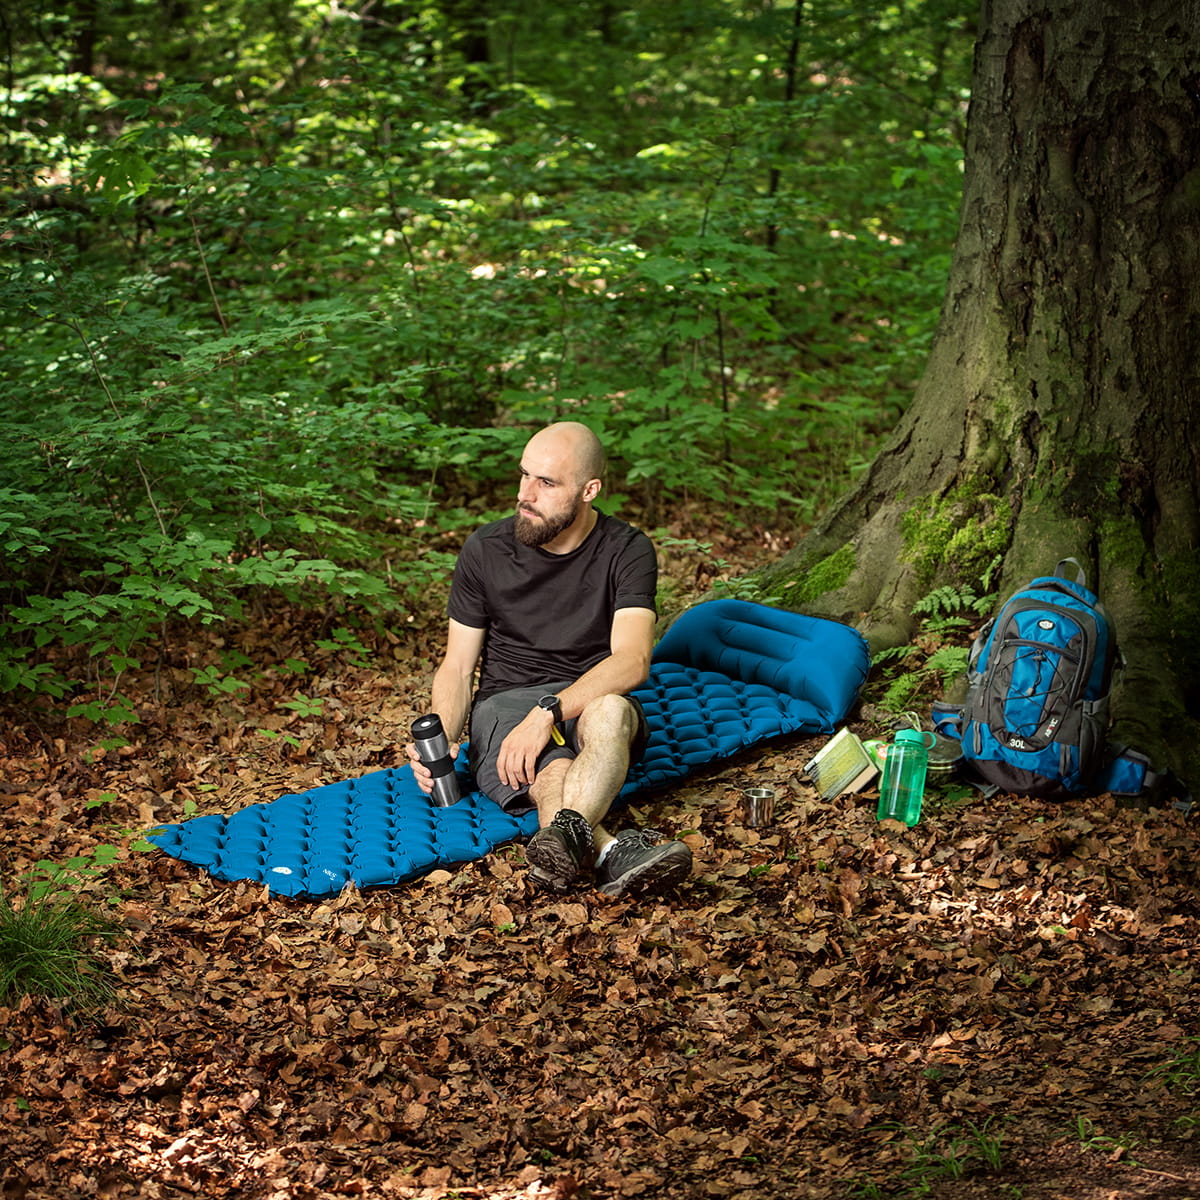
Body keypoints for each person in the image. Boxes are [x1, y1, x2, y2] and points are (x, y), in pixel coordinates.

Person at [407, 421, 692, 897]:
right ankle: (610, 852)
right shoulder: (485, 550)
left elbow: (632, 660)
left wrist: (549, 713)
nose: (525, 494)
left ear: (589, 490)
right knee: (552, 769)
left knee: (612, 709)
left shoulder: (627, 549)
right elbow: (457, 667)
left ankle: (565, 850)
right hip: (506, 701)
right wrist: (444, 740)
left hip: (588, 694)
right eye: (524, 475)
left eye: (546, 482)